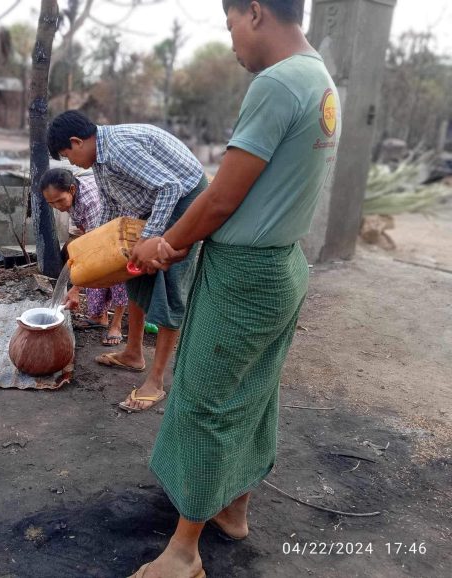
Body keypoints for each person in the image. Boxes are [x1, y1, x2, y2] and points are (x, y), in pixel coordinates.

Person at [126, 0, 341, 576]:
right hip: (282, 266)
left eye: (228, 27)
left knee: (204, 400)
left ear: (253, 12)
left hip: (245, 274)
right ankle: (233, 507)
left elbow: (223, 197)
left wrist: (162, 245)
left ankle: (182, 551)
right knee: (252, 394)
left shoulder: (277, 83)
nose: (231, 43)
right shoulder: (320, 80)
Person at [47, 111, 209, 413]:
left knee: (169, 284)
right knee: (132, 269)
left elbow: (170, 187)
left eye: (69, 157)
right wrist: (93, 254)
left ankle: (156, 381)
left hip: (186, 200)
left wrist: (149, 238)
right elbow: (110, 208)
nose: (72, 165)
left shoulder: (119, 149)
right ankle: (134, 353)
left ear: (77, 141)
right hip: (156, 201)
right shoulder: (99, 160)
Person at [39, 167, 128, 346]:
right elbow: (86, 236)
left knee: (116, 275)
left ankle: (116, 324)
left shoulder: (90, 201)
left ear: (72, 189)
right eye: (51, 203)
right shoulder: (71, 198)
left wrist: (76, 288)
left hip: (119, 233)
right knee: (92, 270)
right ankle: (99, 316)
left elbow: (97, 246)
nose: (57, 206)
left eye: (59, 201)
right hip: (98, 232)